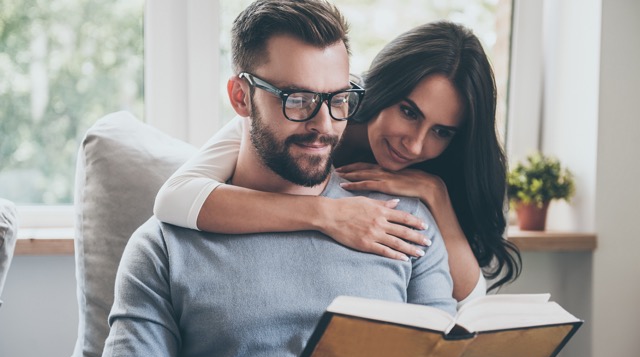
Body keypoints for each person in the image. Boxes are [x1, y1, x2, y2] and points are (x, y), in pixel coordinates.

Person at [90, 1, 549, 357]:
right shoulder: (165, 243)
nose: (324, 125)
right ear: (240, 98)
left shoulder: (405, 218)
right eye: (297, 100)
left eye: (337, 99)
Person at [154, 20, 521, 306]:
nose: (415, 143)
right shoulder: (308, 109)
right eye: (408, 112)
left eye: (442, 131)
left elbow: (469, 301)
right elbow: (175, 197)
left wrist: (434, 194)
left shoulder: (435, 175)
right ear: (384, 89)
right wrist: (328, 215)